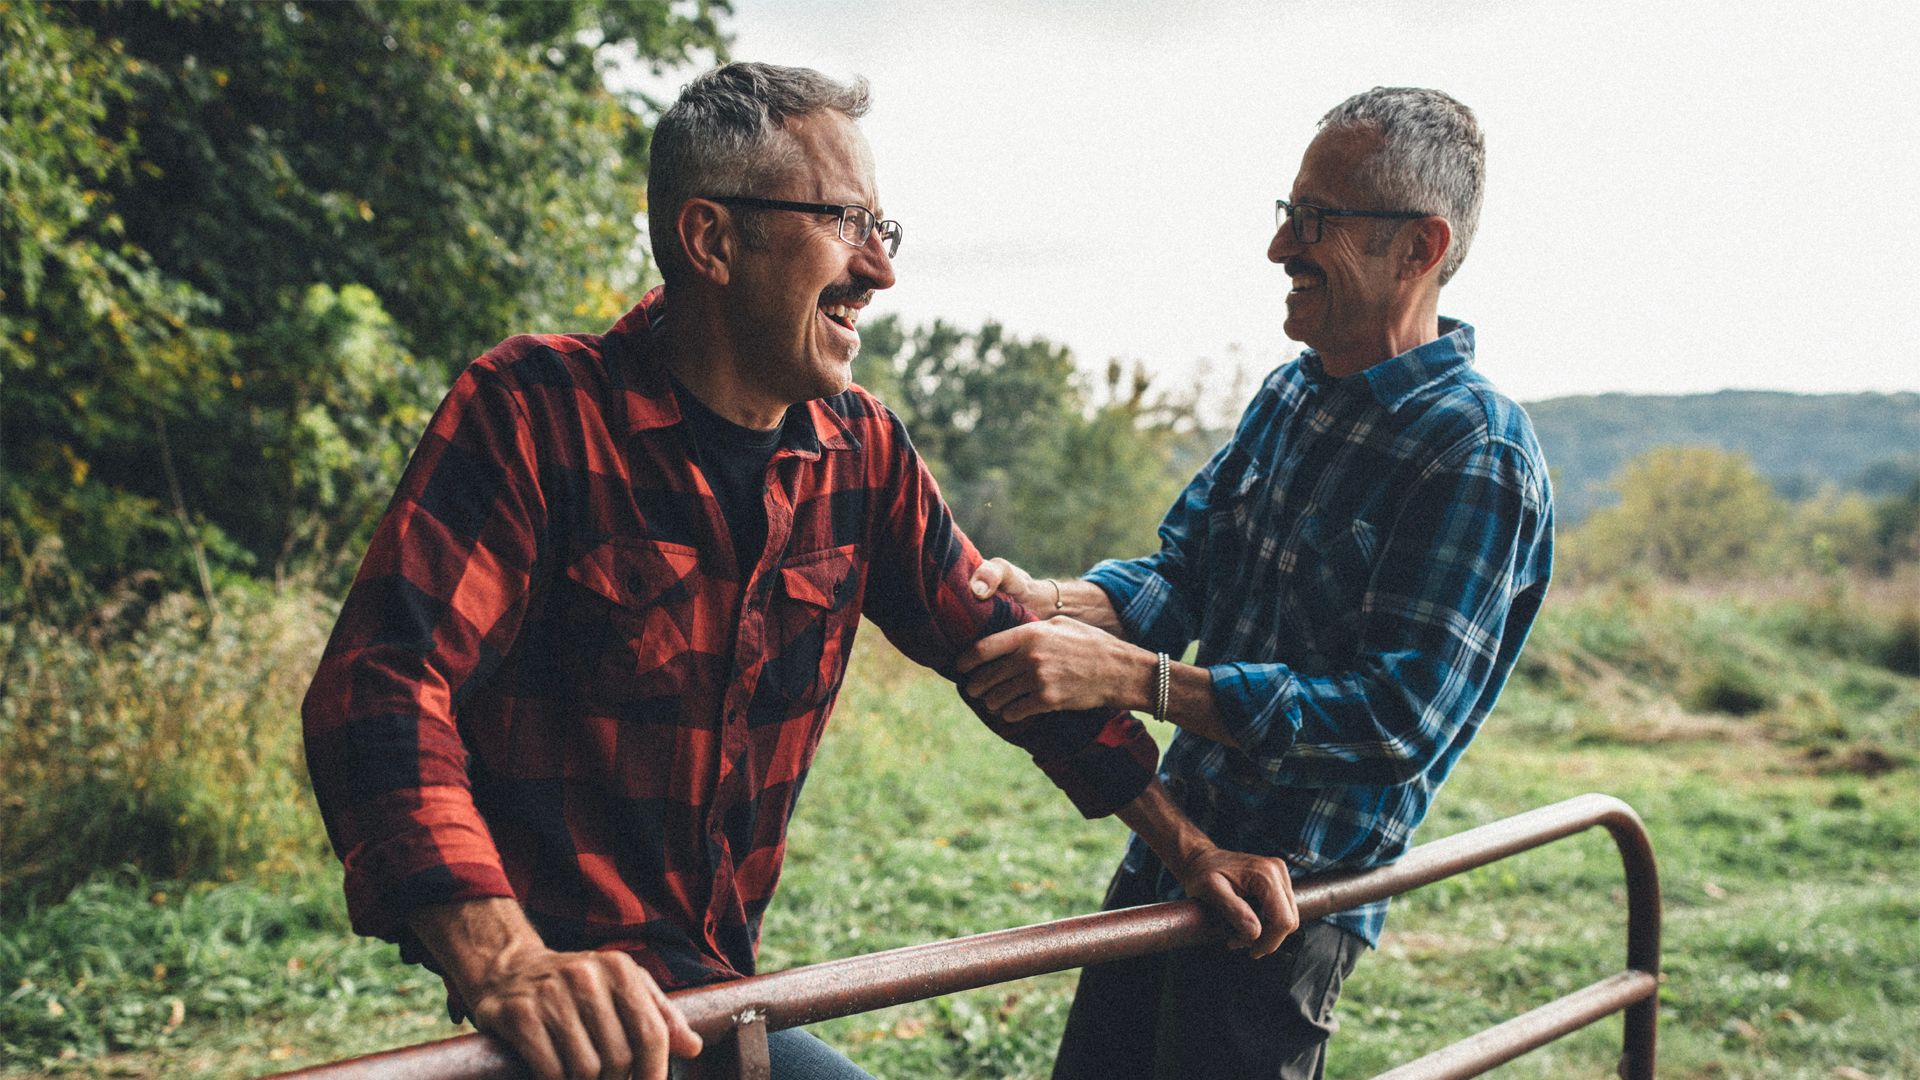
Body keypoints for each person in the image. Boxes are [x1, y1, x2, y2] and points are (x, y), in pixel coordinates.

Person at [302, 62, 1298, 1080]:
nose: (881, 270)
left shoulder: (860, 451)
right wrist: (508, 963)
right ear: (712, 239)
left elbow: (1007, 658)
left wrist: (1190, 849)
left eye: (885, 229)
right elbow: (380, 690)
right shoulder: (534, 411)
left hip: (721, 997)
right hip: (559, 1024)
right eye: (844, 221)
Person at [957, 87, 1554, 1079]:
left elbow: (1397, 721)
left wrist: (1140, 682)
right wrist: (1049, 599)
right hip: (1174, 850)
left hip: (1288, 907)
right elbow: (1183, 576)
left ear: (1420, 247)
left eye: (1316, 220)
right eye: (1287, 213)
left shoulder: (1475, 453)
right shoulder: (1292, 393)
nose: (1282, 248)